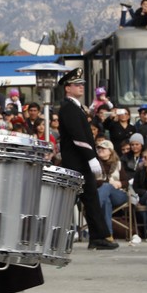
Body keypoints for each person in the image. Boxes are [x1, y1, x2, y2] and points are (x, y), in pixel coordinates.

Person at [56, 72, 118, 249]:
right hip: (77, 162)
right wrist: (91, 157)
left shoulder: (75, 107)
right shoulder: (69, 108)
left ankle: (98, 237)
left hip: (80, 162)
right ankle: (95, 236)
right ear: (68, 88)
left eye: (82, 84)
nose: (81, 87)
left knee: (90, 200)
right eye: (77, 84)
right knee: (71, 201)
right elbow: (77, 136)